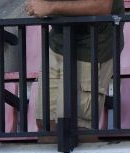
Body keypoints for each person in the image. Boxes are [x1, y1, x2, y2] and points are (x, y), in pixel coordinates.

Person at [26, 0, 123, 133]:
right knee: (45, 123)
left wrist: (50, 6)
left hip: (92, 48)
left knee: (79, 127)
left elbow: (101, 6)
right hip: (57, 44)